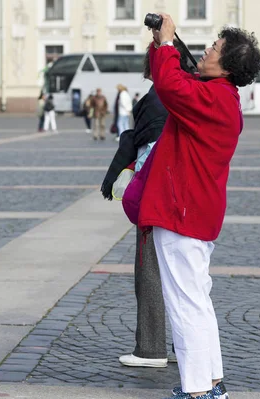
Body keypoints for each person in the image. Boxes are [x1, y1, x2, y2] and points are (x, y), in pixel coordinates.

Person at [141, 15, 260, 399]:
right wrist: (163, 41)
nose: (208, 48)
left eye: (215, 47)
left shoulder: (214, 99)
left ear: (226, 65)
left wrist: (164, 45)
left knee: (185, 303)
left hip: (183, 214)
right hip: (195, 213)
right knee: (197, 299)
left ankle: (196, 390)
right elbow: (175, 79)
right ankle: (210, 382)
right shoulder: (222, 97)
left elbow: (170, 86)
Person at [101, 40, 195, 371]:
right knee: (177, 278)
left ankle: (150, 348)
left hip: (158, 201)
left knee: (150, 274)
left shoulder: (158, 100)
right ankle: (181, 347)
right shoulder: (185, 92)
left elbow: (153, 153)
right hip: (179, 200)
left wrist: (134, 187)